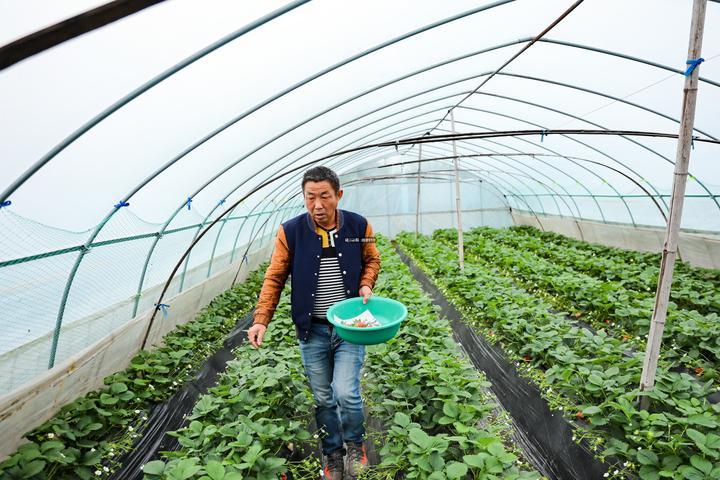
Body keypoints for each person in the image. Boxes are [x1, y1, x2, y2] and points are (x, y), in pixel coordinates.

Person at [247, 166, 381, 480]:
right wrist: (261, 320)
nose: (317, 205)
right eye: (310, 197)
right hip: (312, 330)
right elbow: (275, 276)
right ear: (304, 197)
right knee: (323, 397)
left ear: (338, 195)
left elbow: (372, 258)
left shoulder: (359, 225)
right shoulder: (290, 231)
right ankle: (333, 455)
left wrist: (366, 283)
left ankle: (355, 444)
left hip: (350, 327)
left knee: (346, 392)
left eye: (324, 196)